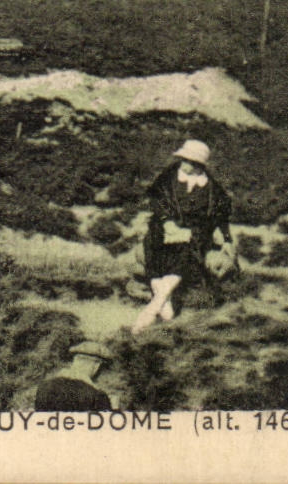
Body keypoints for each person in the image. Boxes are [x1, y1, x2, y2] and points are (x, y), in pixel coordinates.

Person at [133, 140, 235, 334]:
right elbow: (156, 201)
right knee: (154, 248)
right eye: (182, 160)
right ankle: (164, 301)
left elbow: (222, 216)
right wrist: (167, 222)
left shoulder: (213, 189)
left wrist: (228, 240)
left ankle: (155, 304)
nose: (182, 164)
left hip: (195, 233)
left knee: (185, 251)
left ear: (198, 165)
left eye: (187, 161)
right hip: (163, 227)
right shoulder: (168, 177)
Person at [34, 341, 116, 411]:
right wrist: (114, 410)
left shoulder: (44, 387)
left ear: (75, 360)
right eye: (102, 370)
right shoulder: (97, 396)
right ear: (96, 366)